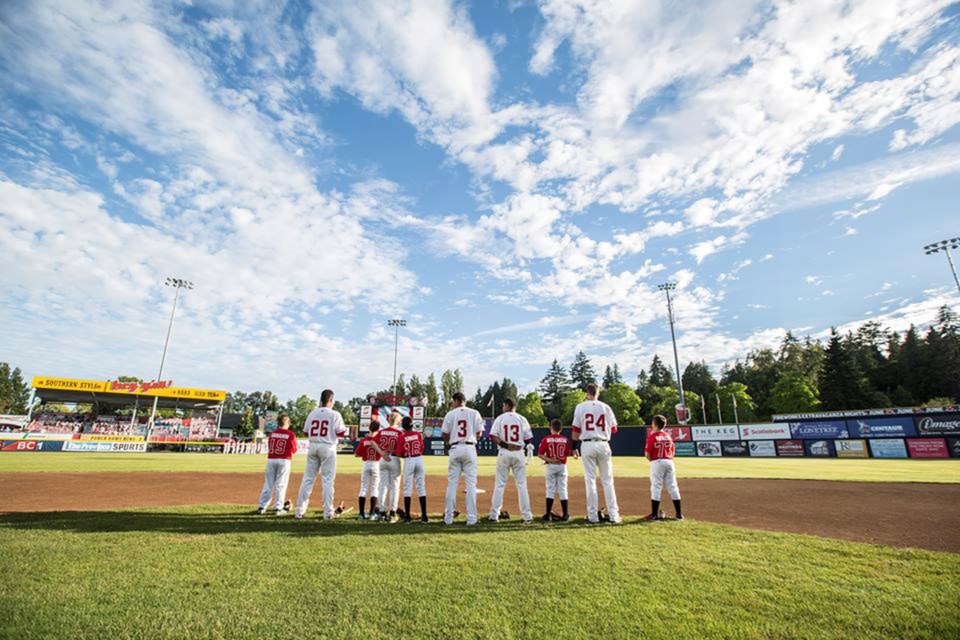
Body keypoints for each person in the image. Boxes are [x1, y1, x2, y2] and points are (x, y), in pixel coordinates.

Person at [571, 383, 621, 524]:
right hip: (603, 443)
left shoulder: (580, 407)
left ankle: (592, 516)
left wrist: (574, 447)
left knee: (590, 481)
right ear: (597, 393)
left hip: (587, 444)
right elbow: (615, 428)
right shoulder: (606, 407)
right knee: (608, 481)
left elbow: (575, 429)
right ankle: (614, 515)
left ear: (587, 393)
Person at [295, 389, 348, 520]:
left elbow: (306, 432)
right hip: (328, 447)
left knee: (307, 479)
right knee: (328, 480)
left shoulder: (312, 413)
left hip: (313, 446)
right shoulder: (335, 414)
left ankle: (299, 511)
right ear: (330, 400)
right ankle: (327, 513)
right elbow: (341, 433)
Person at [441, 391, 485, 525]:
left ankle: (448, 518)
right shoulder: (474, 412)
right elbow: (480, 433)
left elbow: (444, 434)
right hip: (470, 447)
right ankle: (471, 519)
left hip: (455, 448)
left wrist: (453, 440)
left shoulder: (450, 414)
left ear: (456, 400)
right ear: (464, 400)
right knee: (471, 485)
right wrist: (470, 437)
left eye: (452, 402)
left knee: (452, 484)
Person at [488, 398, 534, 524]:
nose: (502, 407)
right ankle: (527, 516)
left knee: (499, 485)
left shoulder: (500, 418)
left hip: (504, 451)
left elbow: (492, 436)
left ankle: (494, 515)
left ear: (507, 405)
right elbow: (528, 439)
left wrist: (505, 444)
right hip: (519, 452)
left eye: (503, 405)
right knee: (522, 485)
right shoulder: (522, 418)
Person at [256, 414, 297, 514]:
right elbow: (294, 449)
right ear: (286, 423)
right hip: (284, 460)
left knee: (268, 484)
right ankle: (278, 508)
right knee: (281, 485)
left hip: (271, 459)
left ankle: (262, 507)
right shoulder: (290, 434)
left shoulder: (272, 433)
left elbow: (270, 446)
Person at [644, 414, 683, 520]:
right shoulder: (668, 436)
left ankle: (654, 514)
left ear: (655, 425)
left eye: (652, 422)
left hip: (657, 461)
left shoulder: (652, 436)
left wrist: (653, 461)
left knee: (656, 487)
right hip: (669, 461)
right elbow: (673, 451)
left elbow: (647, 454)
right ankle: (679, 514)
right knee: (673, 486)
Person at [537, 418, 576, 522]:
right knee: (563, 489)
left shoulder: (546, 439)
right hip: (562, 465)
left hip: (551, 466)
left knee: (550, 490)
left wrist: (549, 460)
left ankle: (548, 515)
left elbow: (540, 454)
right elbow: (568, 453)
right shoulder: (565, 439)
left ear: (551, 428)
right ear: (561, 429)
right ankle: (565, 515)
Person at [354, 420, 392, 520]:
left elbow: (356, 454)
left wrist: (364, 453)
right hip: (376, 464)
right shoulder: (379, 440)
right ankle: (372, 514)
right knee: (375, 488)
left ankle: (361, 514)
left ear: (369, 428)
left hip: (366, 464)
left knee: (363, 488)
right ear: (379, 429)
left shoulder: (364, 440)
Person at [398, 416, 428, 523]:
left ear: (403, 426)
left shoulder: (402, 437)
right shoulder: (417, 434)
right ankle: (424, 516)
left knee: (407, 488)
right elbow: (421, 448)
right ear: (412, 425)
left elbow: (399, 452)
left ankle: (407, 517)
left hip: (409, 459)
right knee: (421, 487)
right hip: (419, 459)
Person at [375, 410, 404, 522]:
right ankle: (392, 513)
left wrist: (381, 453)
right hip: (394, 458)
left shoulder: (382, 431)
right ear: (398, 421)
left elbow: (373, 441)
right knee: (395, 488)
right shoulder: (400, 433)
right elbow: (401, 450)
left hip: (383, 458)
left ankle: (382, 513)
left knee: (383, 486)